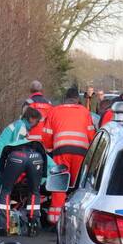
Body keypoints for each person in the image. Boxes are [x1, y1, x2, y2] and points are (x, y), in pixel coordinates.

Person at [40, 87, 97, 227]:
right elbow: (91, 134)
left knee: (60, 185)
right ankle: (76, 221)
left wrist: (49, 150)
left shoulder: (55, 111)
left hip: (61, 151)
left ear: (65, 99)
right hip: (81, 153)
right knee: (79, 187)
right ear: (77, 99)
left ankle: (55, 219)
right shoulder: (84, 112)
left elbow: (47, 134)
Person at [0, 107, 45, 235]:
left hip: (9, 155)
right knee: (24, 191)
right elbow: (17, 144)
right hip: (0, 153)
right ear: (31, 119)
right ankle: (31, 223)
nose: (36, 125)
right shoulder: (21, 126)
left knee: (6, 189)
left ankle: (5, 225)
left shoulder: (19, 125)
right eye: (36, 122)